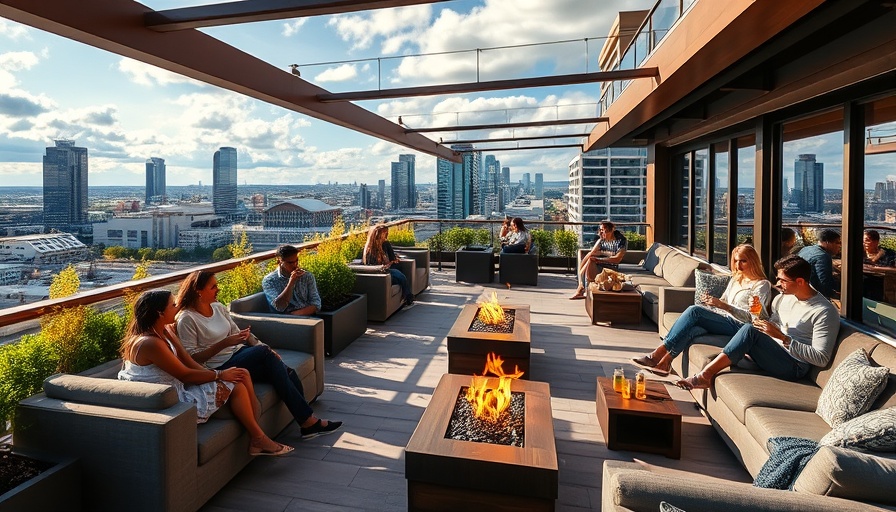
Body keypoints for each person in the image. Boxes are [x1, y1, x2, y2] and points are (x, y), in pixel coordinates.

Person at [118, 289, 294, 456]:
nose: (177, 307)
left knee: (241, 373)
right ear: (159, 313)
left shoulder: (160, 332)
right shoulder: (150, 343)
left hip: (175, 388)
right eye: (172, 305)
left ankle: (258, 436)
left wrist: (174, 339)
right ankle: (258, 437)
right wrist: (219, 375)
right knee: (238, 382)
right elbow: (185, 375)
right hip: (170, 400)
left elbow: (187, 360)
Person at [176, 270, 342, 440]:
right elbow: (192, 359)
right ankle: (308, 421)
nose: (218, 289)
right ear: (199, 291)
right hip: (217, 366)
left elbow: (239, 335)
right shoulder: (187, 319)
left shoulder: (218, 307)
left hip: (238, 354)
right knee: (265, 354)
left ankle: (307, 421)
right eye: (213, 287)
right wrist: (225, 343)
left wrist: (265, 348)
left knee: (287, 371)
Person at [674, 255, 839, 390]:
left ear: (800, 282)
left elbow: (821, 358)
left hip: (794, 365)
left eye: (783, 281)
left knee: (749, 331)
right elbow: (771, 324)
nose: (777, 284)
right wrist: (759, 313)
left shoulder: (823, 311)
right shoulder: (783, 298)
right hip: (772, 350)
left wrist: (784, 338)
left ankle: (704, 377)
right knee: (743, 328)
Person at [632, 244, 772, 376]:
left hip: (740, 326)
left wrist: (726, 307)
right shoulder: (736, 279)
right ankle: (666, 362)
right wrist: (713, 302)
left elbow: (754, 318)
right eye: (735, 261)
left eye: (743, 261)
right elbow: (723, 300)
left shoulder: (761, 285)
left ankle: (657, 354)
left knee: (694, 311)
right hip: (724, 318)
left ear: (753, 261)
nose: (738, 265)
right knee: (694, 330)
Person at [570, 221, 628, 300]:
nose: (601, 232)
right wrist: (580, 271)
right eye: (600, 230)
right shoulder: (602, 240)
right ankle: (582, 287)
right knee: (590, 257)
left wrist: (600, 259)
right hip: (600, 264)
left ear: (612, 230)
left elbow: (617, 259)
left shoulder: (621, 241)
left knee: (591, 261)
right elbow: (592, 253)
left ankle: (582, 289)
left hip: (610, 268)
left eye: (604, 230)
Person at [262, 244, 322, 316]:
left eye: (296, 261)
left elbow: (316, 304)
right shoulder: (269, 280)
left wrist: (295, 315)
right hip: (284, 320)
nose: (295, 265)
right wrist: (291, 282)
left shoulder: (306, 276)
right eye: (290, 263)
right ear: (280, 261)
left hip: (304, 315)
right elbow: (279, 306)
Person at [363, 225, 414, 305]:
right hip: (380, 272)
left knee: (399, 272)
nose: (386, 235)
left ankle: (407, 296)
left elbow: (392, 258)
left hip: (387, 268)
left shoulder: (385, 244)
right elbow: (372, 266)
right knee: (400, 276)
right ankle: (408, 297)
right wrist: (387, 265)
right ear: (378, 235)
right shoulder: (370, 249)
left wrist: (391, 262)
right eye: (384, 233)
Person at [797, 229, 841, 299]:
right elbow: (824, 284)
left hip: (799, 289)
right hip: (812, 297)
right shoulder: (823, 256)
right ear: (827, 242)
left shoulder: (806, 249)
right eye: (837, 242)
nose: (840, 245)